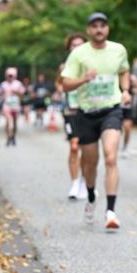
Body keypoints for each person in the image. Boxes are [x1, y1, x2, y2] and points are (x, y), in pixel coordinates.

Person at [60, 12, 132, 231]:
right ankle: (91, 195)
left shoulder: (118, 50)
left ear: (107, 29)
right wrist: (84, 79)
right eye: (94, 26)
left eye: (102, 25)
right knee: (90, 162)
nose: (99, 29)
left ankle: (111, 211)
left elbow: (124, 71)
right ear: (88, 30)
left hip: (111, 109)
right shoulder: (78, 54)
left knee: (111, 156)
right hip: (86, 113)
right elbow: (65, 84)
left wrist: (126, 90)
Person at [58, 32, 88, 201]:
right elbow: (60, 84)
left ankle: (85, 181)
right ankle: (75, 182)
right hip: (71, 110)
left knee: (87, 149)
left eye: (80, 45)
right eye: (73, 45)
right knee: (74, 146)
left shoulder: (91, 65)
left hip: (88, 109)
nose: (77, 48)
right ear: (69, 48)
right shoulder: (65, 67)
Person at [0, 68, 25, 146]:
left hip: (15, 105)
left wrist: (16, 92)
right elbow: (1, 94)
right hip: (7, 105)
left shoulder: (18, 84)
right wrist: (4, 96)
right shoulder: (3, 84)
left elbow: (22, 93)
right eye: (9, 75)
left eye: (11, 75)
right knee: (8, 121)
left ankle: (13, 136)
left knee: (14, 122)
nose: (10, 77)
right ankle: (8, 137)